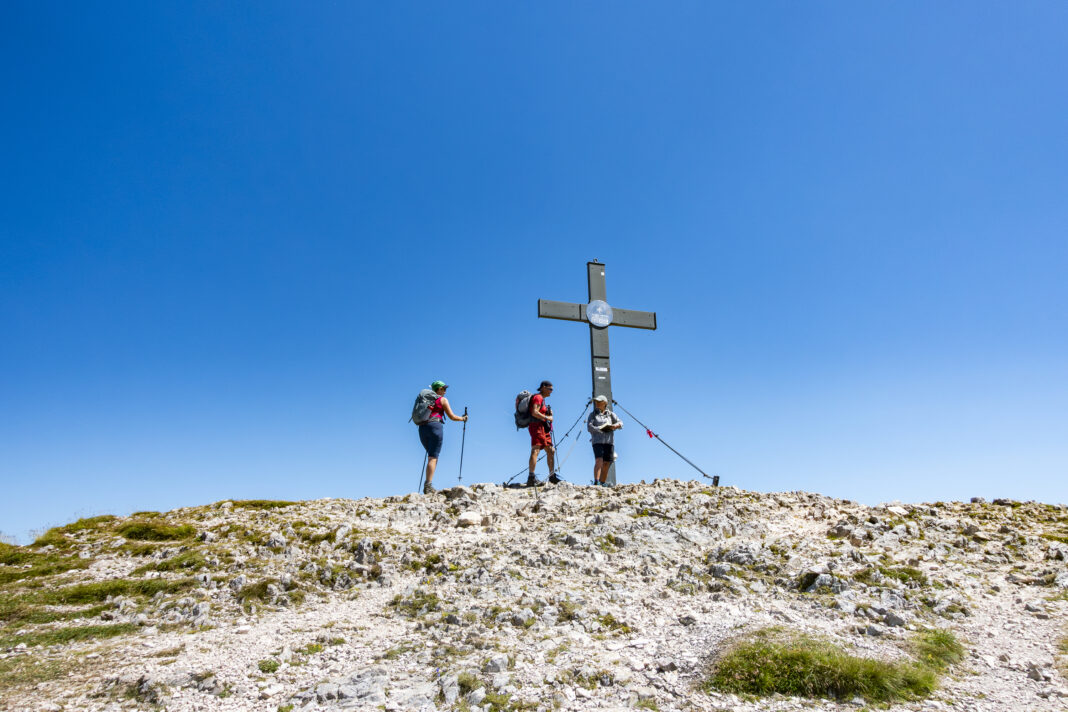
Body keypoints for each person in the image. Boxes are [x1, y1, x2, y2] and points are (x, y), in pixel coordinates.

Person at [418, 380, 468, 495]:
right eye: (443, 389)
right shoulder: (442, 400)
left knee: (430, 455)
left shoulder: (425, 400)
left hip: (422, 429)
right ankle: (428, 486)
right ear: (438, 389)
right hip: (435, 427)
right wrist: (463, 419)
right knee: (433, 457)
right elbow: (452, 417)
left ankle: (427, 484)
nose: (445, 391)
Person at [527, 380, 562, 486]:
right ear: (543, 387)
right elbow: (534, 412)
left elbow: (539, 412)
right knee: (536, 449)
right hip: (536, 426)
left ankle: (552, 476)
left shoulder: (542, 399)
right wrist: (548, 417)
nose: (551, 391)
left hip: (542, 428)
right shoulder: (538, 397)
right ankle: (531, 477)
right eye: (550, 389)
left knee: (551, 450)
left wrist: (547, 413)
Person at [586, 395, 622, 486]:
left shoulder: (611, 414)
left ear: (605, 403)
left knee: (607, 462)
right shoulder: (592, 415)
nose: (597, 403)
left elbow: (621, 423)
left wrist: (615, 426)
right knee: (599, 460)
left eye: (599, 402)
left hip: (609, 442)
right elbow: (589, 428)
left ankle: (602, 482)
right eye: (596, 402)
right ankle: (596, 482)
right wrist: (600, 428)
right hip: (597, 441)